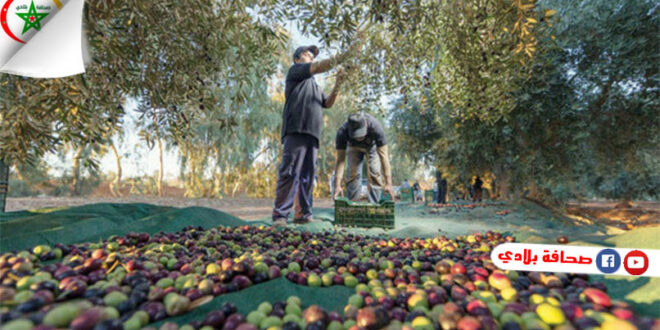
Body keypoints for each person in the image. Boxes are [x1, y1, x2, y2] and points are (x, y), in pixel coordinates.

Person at [272, 42, 358, 226]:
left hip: (312, 134)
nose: (311, 57)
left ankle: (302, 213)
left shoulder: (316, 88)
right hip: (296, 128)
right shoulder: (295, 72)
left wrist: (338, 84)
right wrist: (343, 56)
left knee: (307, 176)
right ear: (297, 59)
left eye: (312, 55)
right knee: (290, 171)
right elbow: (319, 67)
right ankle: (280, 215)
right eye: (306, 54)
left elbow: (328, 103)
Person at [333, 112, 395, 203]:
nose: (358, 138)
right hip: (353, 147)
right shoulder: (342, 131)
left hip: (372, 148)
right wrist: (337, 185)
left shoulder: (375, 127)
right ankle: (352, 206)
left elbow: (384, 156)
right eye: (356, 135)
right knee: (353, 174)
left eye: (361, 134)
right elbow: (340, 160)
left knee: (375, 173)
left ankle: (374, 206)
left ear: (366, 124)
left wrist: (389, 183)